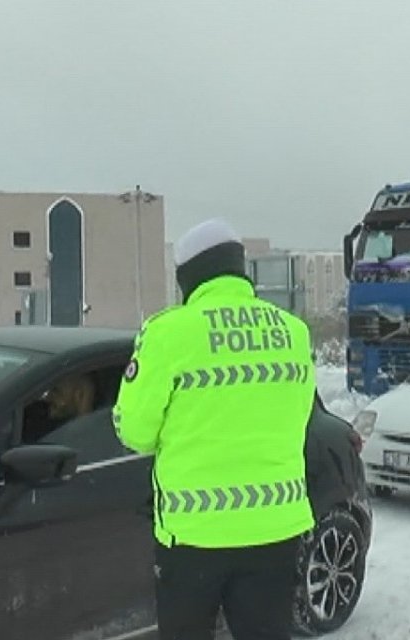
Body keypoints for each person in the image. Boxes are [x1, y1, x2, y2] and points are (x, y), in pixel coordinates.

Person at [112, 218, 317, 640]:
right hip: (275, 530)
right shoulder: (293, 333)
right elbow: (301, 416)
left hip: (193, 539)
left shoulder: (168, 333)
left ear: (187, 276)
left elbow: (135, 431)